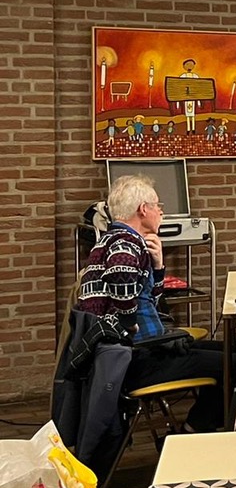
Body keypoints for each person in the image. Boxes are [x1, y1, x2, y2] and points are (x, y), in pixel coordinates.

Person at [77, 174, 227, 431]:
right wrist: (128, 322)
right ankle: (193, 432)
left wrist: (157, 268)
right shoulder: (125, 244)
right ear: (143, 209)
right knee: (235, 365)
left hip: (137, 351)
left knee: (226, 351)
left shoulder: (113, 240)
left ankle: (197, 428)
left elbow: (150, 302)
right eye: (158, 205)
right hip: (137, 357)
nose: (161, 212)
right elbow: (121, 277)